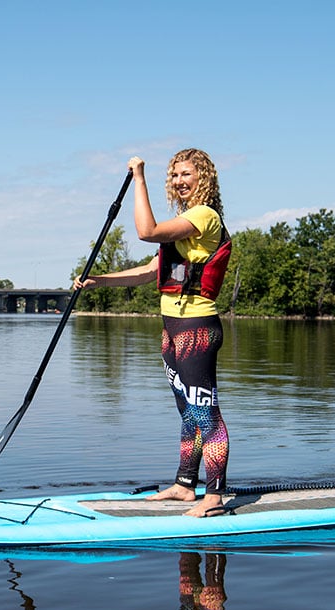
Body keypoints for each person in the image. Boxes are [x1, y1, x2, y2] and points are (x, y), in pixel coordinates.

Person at [74, 149, 232, 517]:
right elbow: (148, 270)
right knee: (188, 412)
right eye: (174, 175)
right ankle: (183, 485)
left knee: (205, 411)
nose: (179, 181)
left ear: (203, 178)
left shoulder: (204, 217)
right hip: (171, 329)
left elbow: (146, 232)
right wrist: (98, 281)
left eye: (186, 174)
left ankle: (215, 495)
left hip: (197, 329)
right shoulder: (183, 226)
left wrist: (139, 178)